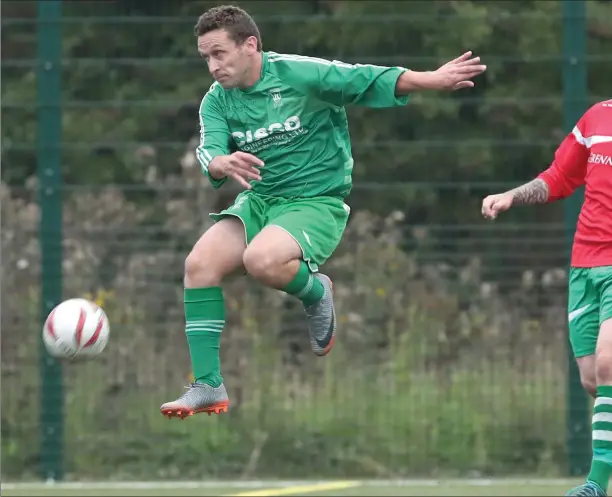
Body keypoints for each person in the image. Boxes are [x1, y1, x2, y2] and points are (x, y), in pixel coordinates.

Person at [160, 4, 486, 420]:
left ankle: (317, 292)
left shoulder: (299, 74)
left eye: (220, 53)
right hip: (261, 202)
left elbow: (366, 79)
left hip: (315, 201)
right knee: (199, 265)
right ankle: (207, 384)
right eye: (206, 57)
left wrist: (433, 80)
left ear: (250, 45)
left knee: (261, 259)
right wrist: (219, 163)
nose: (213, 66)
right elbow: (211, 148)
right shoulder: (217, 101)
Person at [481, 99, 612, 497]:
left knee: (609, 366)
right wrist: (511, 196)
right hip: (585, 263)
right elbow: (558, 177)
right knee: (593, 380)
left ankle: (596, 485)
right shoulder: (597, 116)